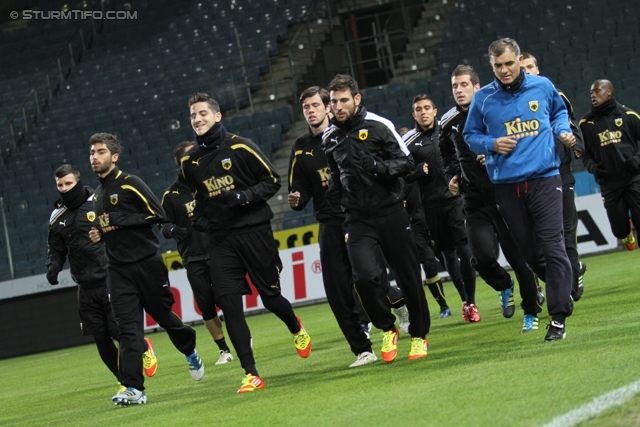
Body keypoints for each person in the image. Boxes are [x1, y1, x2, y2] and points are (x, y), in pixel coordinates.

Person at [180, 93, 311, 394]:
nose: (197, 119)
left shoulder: (240, 146)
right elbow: (198, 196)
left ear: (217, 115)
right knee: (229, 305)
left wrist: (244, 196)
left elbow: (272, 181)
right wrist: (199, 218)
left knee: (270, 297)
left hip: (254, 232)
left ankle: (295, 326)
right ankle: (250, 373)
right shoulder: (190, 161)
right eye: (192, 116)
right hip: (220, 240)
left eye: (202, 113)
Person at [463, 38, 575, 341]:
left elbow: (558, 112)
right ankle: (562, 283)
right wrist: (491, 144)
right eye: (497, 66)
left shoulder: (542, 86)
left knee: (553, 246)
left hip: (545, 179)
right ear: (491, 65)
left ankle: (559, 317)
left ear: (519, 58)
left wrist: (562, 129)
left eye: (509, 63)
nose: (504, 70)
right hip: (507, 187)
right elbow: (470, 134)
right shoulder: (483, 98)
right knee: (530, 253)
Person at [88, 133, 202, 406]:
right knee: (128, 329)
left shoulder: (130, 184)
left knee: (164, 317)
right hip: (118, 271)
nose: (94, 157)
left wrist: (118, 219)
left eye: (100, 152)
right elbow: (111, 228)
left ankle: (189, 346)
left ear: (114, 157)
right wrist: (101, 234)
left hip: (147, 264)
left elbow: (158, 215)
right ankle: (133, 388)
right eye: (92, 152)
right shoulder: (97, 195)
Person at [323, 74, 430, 363]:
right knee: (365, 278)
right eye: (334, 102)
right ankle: (387, 327)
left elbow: (407, 162)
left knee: (408, 276)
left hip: (392, 211)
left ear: (357, 99)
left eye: (344, 100)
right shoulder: (330, 137)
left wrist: (379, 167)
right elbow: (335, 172)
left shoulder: (380, 126)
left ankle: (419, 336)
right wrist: (334, 191)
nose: (338, 106)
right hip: (357, 218)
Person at [438, 65, 541, 332]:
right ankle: (504, 285)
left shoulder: (494, 109)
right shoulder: (447, 122)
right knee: (481, 258)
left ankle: (531, 311)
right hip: (473, 202)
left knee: (520, 259)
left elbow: (520, 138)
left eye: (463, 85)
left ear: (476, 86)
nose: (458, 90)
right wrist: (452, 175)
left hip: (504, 194)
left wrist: (494, 154)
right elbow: (445, 153)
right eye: (454, 86)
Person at [46, 165, 158, 384]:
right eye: (60, 185)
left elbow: (120, 228)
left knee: (118, 331)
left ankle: (143, 347)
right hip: (84, 285)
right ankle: (123, 380)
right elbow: (56, 248)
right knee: (100, 339)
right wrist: (53, 266)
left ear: (78, 182)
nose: (64, 188)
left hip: (109, 276)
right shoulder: (56, 215)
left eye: (68, 183)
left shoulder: (98, 201)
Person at [403, 94, 479, 322]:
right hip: (430, 208)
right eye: (419, 109)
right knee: (448, 257)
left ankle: (472, 302)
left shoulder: (447, 130)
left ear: (435, 111)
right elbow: (401, 172)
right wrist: (417, 171)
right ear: (414, 115)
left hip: (455, 199)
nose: (423, 112)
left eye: (427, 108)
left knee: (465, 250)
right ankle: (465, 300)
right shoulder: (408, 142)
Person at [521, 52, 588, 301]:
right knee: (539, 238)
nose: (527, 71)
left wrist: (576, 144)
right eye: (522, 68)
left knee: (566, 232)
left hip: (561, 171)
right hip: (533, 177)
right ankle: (555, 280)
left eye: (530, 66)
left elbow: (570, 123)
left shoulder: (555, 95)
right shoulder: (513, 103)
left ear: (538, 69)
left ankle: (568, 285)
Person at [161, 141, 234, 366]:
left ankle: (242, 337)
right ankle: (224, 350)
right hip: (193, 257)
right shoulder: (171, 195)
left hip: (218, 249)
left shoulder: (210, 181)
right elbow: (163, 225)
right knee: (205, 305)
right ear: (181, 163)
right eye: (191, 155)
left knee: (229, 299)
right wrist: (172, 229)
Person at [579, 79, 640, 252]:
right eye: (591, 92)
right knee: (619, 231)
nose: (593, 94)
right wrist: (595, 169)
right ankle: (626, 232)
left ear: (609, 92)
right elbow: (584, 155)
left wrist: (637, 160)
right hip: (610, 185)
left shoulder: (628, 115)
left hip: (634, 179)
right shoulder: (585, 124)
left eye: (597, 91)